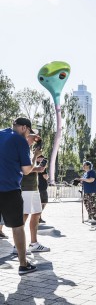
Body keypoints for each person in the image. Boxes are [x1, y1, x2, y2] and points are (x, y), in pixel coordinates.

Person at [0, 117, 41, 274]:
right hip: (9, 190)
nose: (29, 136)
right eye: (29, 132)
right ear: (24, 128)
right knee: (17, 227)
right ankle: (23, 264)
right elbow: (26, 170)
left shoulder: (1, 134)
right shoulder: (20, 141)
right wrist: (35, 156)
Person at [13, 134, 50, 254]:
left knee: (37, 213)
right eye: (33, 137)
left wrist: (38, 168)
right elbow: (24, 169)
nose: (35, 140)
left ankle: (34, 244)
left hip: (34, 187)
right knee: (24, 215)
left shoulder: (28, 150)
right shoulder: (21, 148)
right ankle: (16, 246)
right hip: (25, 187)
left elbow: (30, 167)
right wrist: (35, 157)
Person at [37, 155, 49, 224]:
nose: (43, 159)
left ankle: (39, 217)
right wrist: (48, 176)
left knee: (41, 203)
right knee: (43, 202)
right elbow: (46, 177)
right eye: (42, 158)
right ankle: (38, 217)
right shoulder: (42, 167)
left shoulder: (36, 166)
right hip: (42, 188)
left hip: (39, 187)